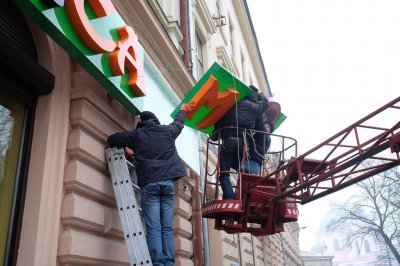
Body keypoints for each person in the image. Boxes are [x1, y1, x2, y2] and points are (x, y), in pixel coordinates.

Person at [107, 103, 195, 266]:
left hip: (150, 185)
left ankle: (158, 263)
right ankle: (169, 262)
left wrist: (128, 149)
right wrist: (183, 110)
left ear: (143, 122)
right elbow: (179, 123)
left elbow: (112, 139)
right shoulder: (167, 131)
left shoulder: (137, 135)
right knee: (167, 228)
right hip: (168, 185)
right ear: (155, 120)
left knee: (154, 228)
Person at [211, 85, 269, 199]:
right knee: (243, 171)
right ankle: (241, 196)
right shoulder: (253, 108)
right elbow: (265, 104)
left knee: (224, 174)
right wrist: (259, 93)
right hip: (242, 145)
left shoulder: (227, 108)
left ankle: (229, 198)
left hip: (227, 143)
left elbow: (214, 135)